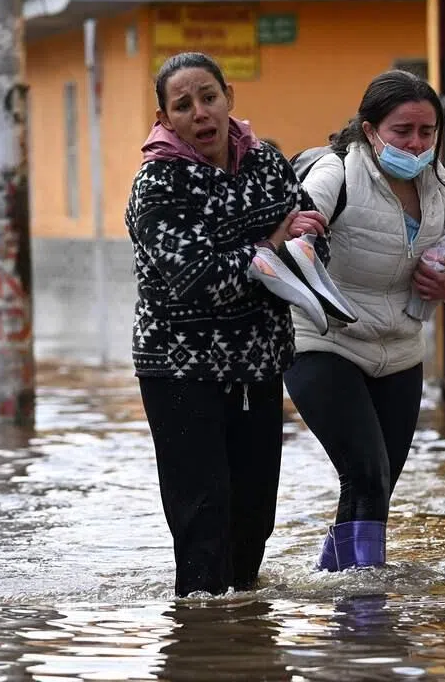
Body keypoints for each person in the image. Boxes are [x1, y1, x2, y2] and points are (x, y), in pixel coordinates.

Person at [124, 51, 326, 597]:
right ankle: (199, 639)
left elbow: (309, 235)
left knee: (255, 515)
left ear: (228, 98)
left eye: (208, 97)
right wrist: (274, 244)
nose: (200, 113)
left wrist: (305, 231)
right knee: (203, 518)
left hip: (259, 363)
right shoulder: (157, 185)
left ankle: (244, 645)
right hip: (180, 369)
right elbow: (200, 278)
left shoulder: (266, 161)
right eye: (183, 105)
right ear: (165, 119)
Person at [284, 70, 445, 571]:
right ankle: (366, 601)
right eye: (402, 131)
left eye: (427, 132)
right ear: (370, 130)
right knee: (366, 472)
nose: (416, 143)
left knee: (379, 483)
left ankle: (339, 584)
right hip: (325, 342)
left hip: (399, 351)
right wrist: (301, 232)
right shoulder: (335, 173)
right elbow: (293, 237)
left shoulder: (437, 181)